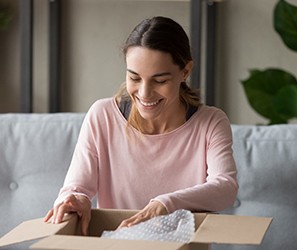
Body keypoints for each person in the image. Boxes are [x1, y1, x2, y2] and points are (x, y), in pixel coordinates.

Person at [44, 16, 238, 236]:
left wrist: (166, 203)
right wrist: (74, 200)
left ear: (185, 72)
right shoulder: (102, 116)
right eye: (134, 78)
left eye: (160, 80)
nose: (144, 93)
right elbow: (76, 188)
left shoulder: (211, 123)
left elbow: (225, 188)